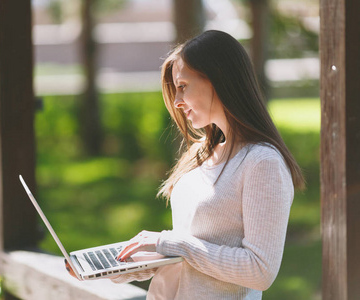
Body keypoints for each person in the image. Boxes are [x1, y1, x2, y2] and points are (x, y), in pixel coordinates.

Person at [67, 30, 305, 299]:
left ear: (218, 79)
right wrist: (123, 266)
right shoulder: (200, 153)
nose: (177, 102)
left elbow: (260, 271)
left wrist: (169, 242)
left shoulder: (262, 163)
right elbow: (186, 253)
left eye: (182, 86)